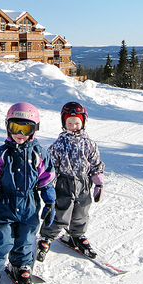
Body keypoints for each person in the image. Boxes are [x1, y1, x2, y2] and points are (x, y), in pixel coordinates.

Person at [0, 102, 56, 284]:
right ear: (7, 127)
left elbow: (46, 181)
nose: (20, 134)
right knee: (0, 238)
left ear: (34, 130)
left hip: (29, 206)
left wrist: (50, 202)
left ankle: (20, 266)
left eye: (26, 129)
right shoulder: (1, 154)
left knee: (26, 238)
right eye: (15, 128)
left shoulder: (39, 154)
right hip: (4, 204)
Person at [37, 101, 105, 260]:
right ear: (64, 123)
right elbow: (51, 165)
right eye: (69, 123)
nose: (73, 126)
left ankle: (77, 235)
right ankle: (47, 236)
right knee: (61, 212)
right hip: (64, 183)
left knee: (82, 211)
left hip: (84, 183)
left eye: (77, 123)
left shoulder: (89, 144)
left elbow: (96, 164)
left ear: (83, 123)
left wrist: (98, 183)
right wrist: (48, 184)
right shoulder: (59, 144)